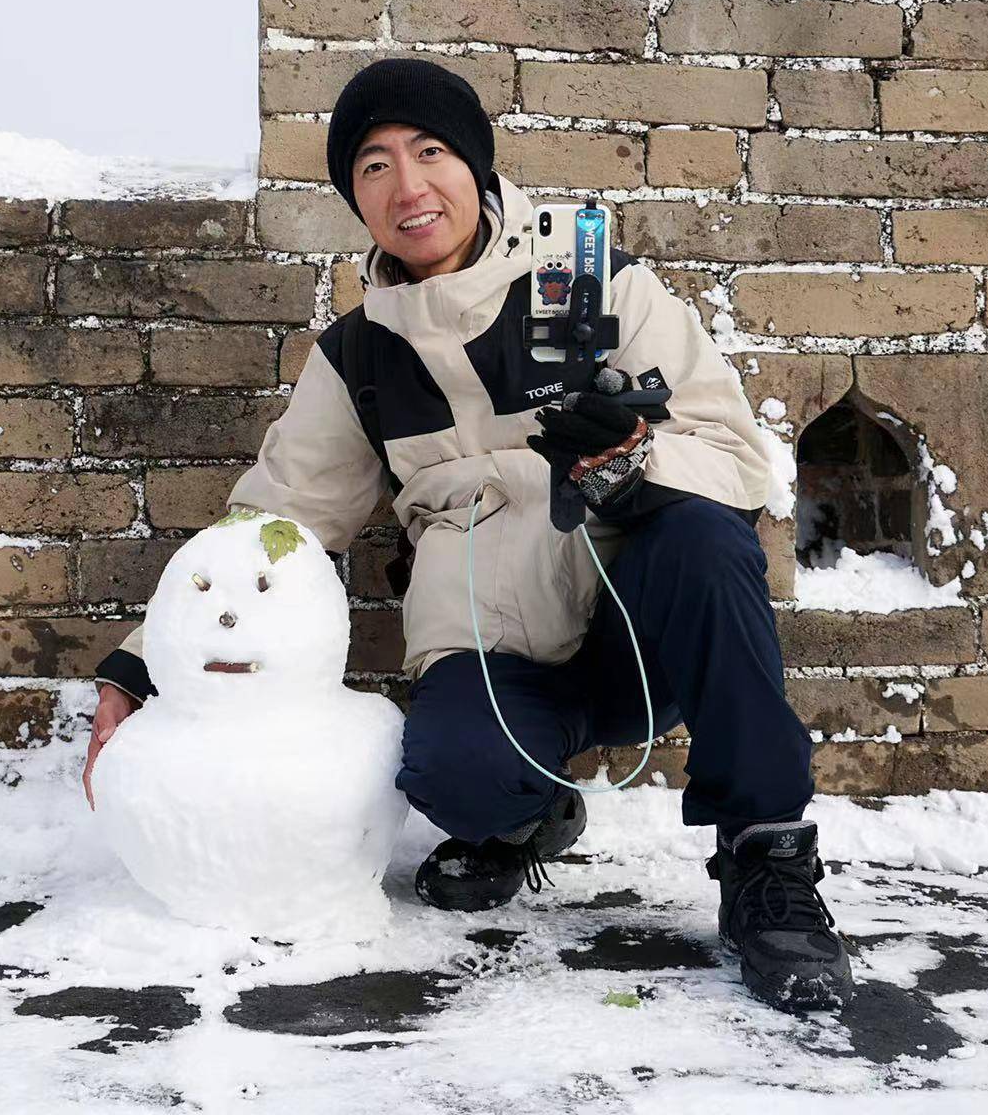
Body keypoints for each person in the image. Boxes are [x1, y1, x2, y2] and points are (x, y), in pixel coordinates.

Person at [85, 57, 852, 1011]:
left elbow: (740, 463)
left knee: (707, 542)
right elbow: (277, 522)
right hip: (491, 648)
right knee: (453, 773)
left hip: (641, 635)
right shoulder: (358, 355)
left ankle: (766, 860)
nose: (408, 187)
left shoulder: (598, 287)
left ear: (478, 168)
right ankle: (520, 815)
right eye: (373, 166)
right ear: (354, 199)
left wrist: (626, 462)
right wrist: (139, 665)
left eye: (431, 151)